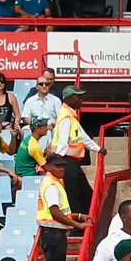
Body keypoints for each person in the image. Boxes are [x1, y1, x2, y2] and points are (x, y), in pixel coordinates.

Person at [36, 154, 92, 261]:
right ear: (49, 167)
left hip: (54, 232)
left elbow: (64, 212)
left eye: (63, 166)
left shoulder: (54, 184)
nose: (62, 169)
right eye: (58, 166)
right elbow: (55, 213)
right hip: (53, 232)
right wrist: (78, 225)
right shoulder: (52, 186)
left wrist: (79, 216)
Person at [51, 86, 105, 215]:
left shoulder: (71, 116)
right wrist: (58, 162)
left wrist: (98, 149)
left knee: (85, 193)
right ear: (69, 99)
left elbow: (83, 136)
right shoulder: (66, 116)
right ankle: (78, 224)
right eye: (78, 97)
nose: (81, 99)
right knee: (74, 194)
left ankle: (85, 220)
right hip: (66, 160)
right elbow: (63, 141)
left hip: (71, 162)